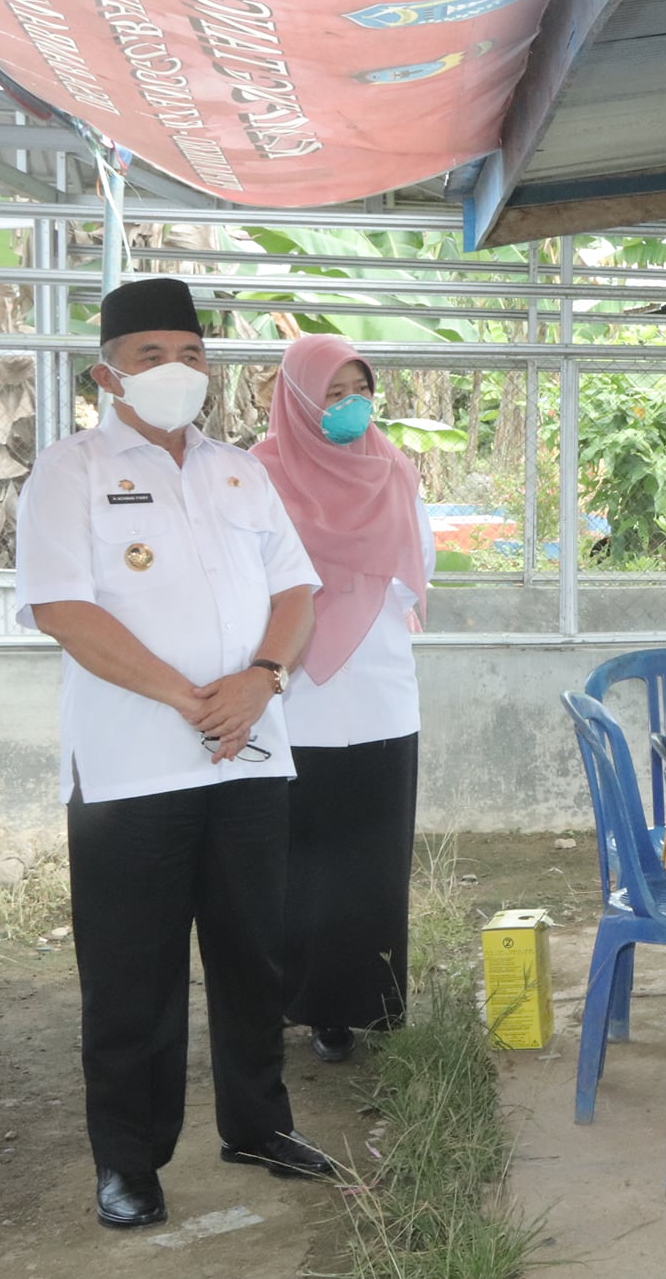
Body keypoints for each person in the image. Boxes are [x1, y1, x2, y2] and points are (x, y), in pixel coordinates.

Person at [14, 278, 334, 1230]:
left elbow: (296, 590)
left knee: (253, 954)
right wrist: (188, 697)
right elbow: (63, 609)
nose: (176, 369)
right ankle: (130, 1160)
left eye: (191, 353)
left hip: (249, 756)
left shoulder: (239, 470)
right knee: (132, 972)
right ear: (107, 374)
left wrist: (262, 679)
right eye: (151, 354)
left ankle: (259, 1125)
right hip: (131, 768)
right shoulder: (69, 471)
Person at [251, 334, 434, 1065]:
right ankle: (304, 1005)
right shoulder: (258, 475)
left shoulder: (393, 470)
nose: (351, 405)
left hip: (382, 693)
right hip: (293, 697)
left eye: (361, 390)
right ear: (298, 397)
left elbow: (413, 570)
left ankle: (370, 1004)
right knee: (301, 866)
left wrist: (357, 585)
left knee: (374, 864)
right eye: (334, 392)